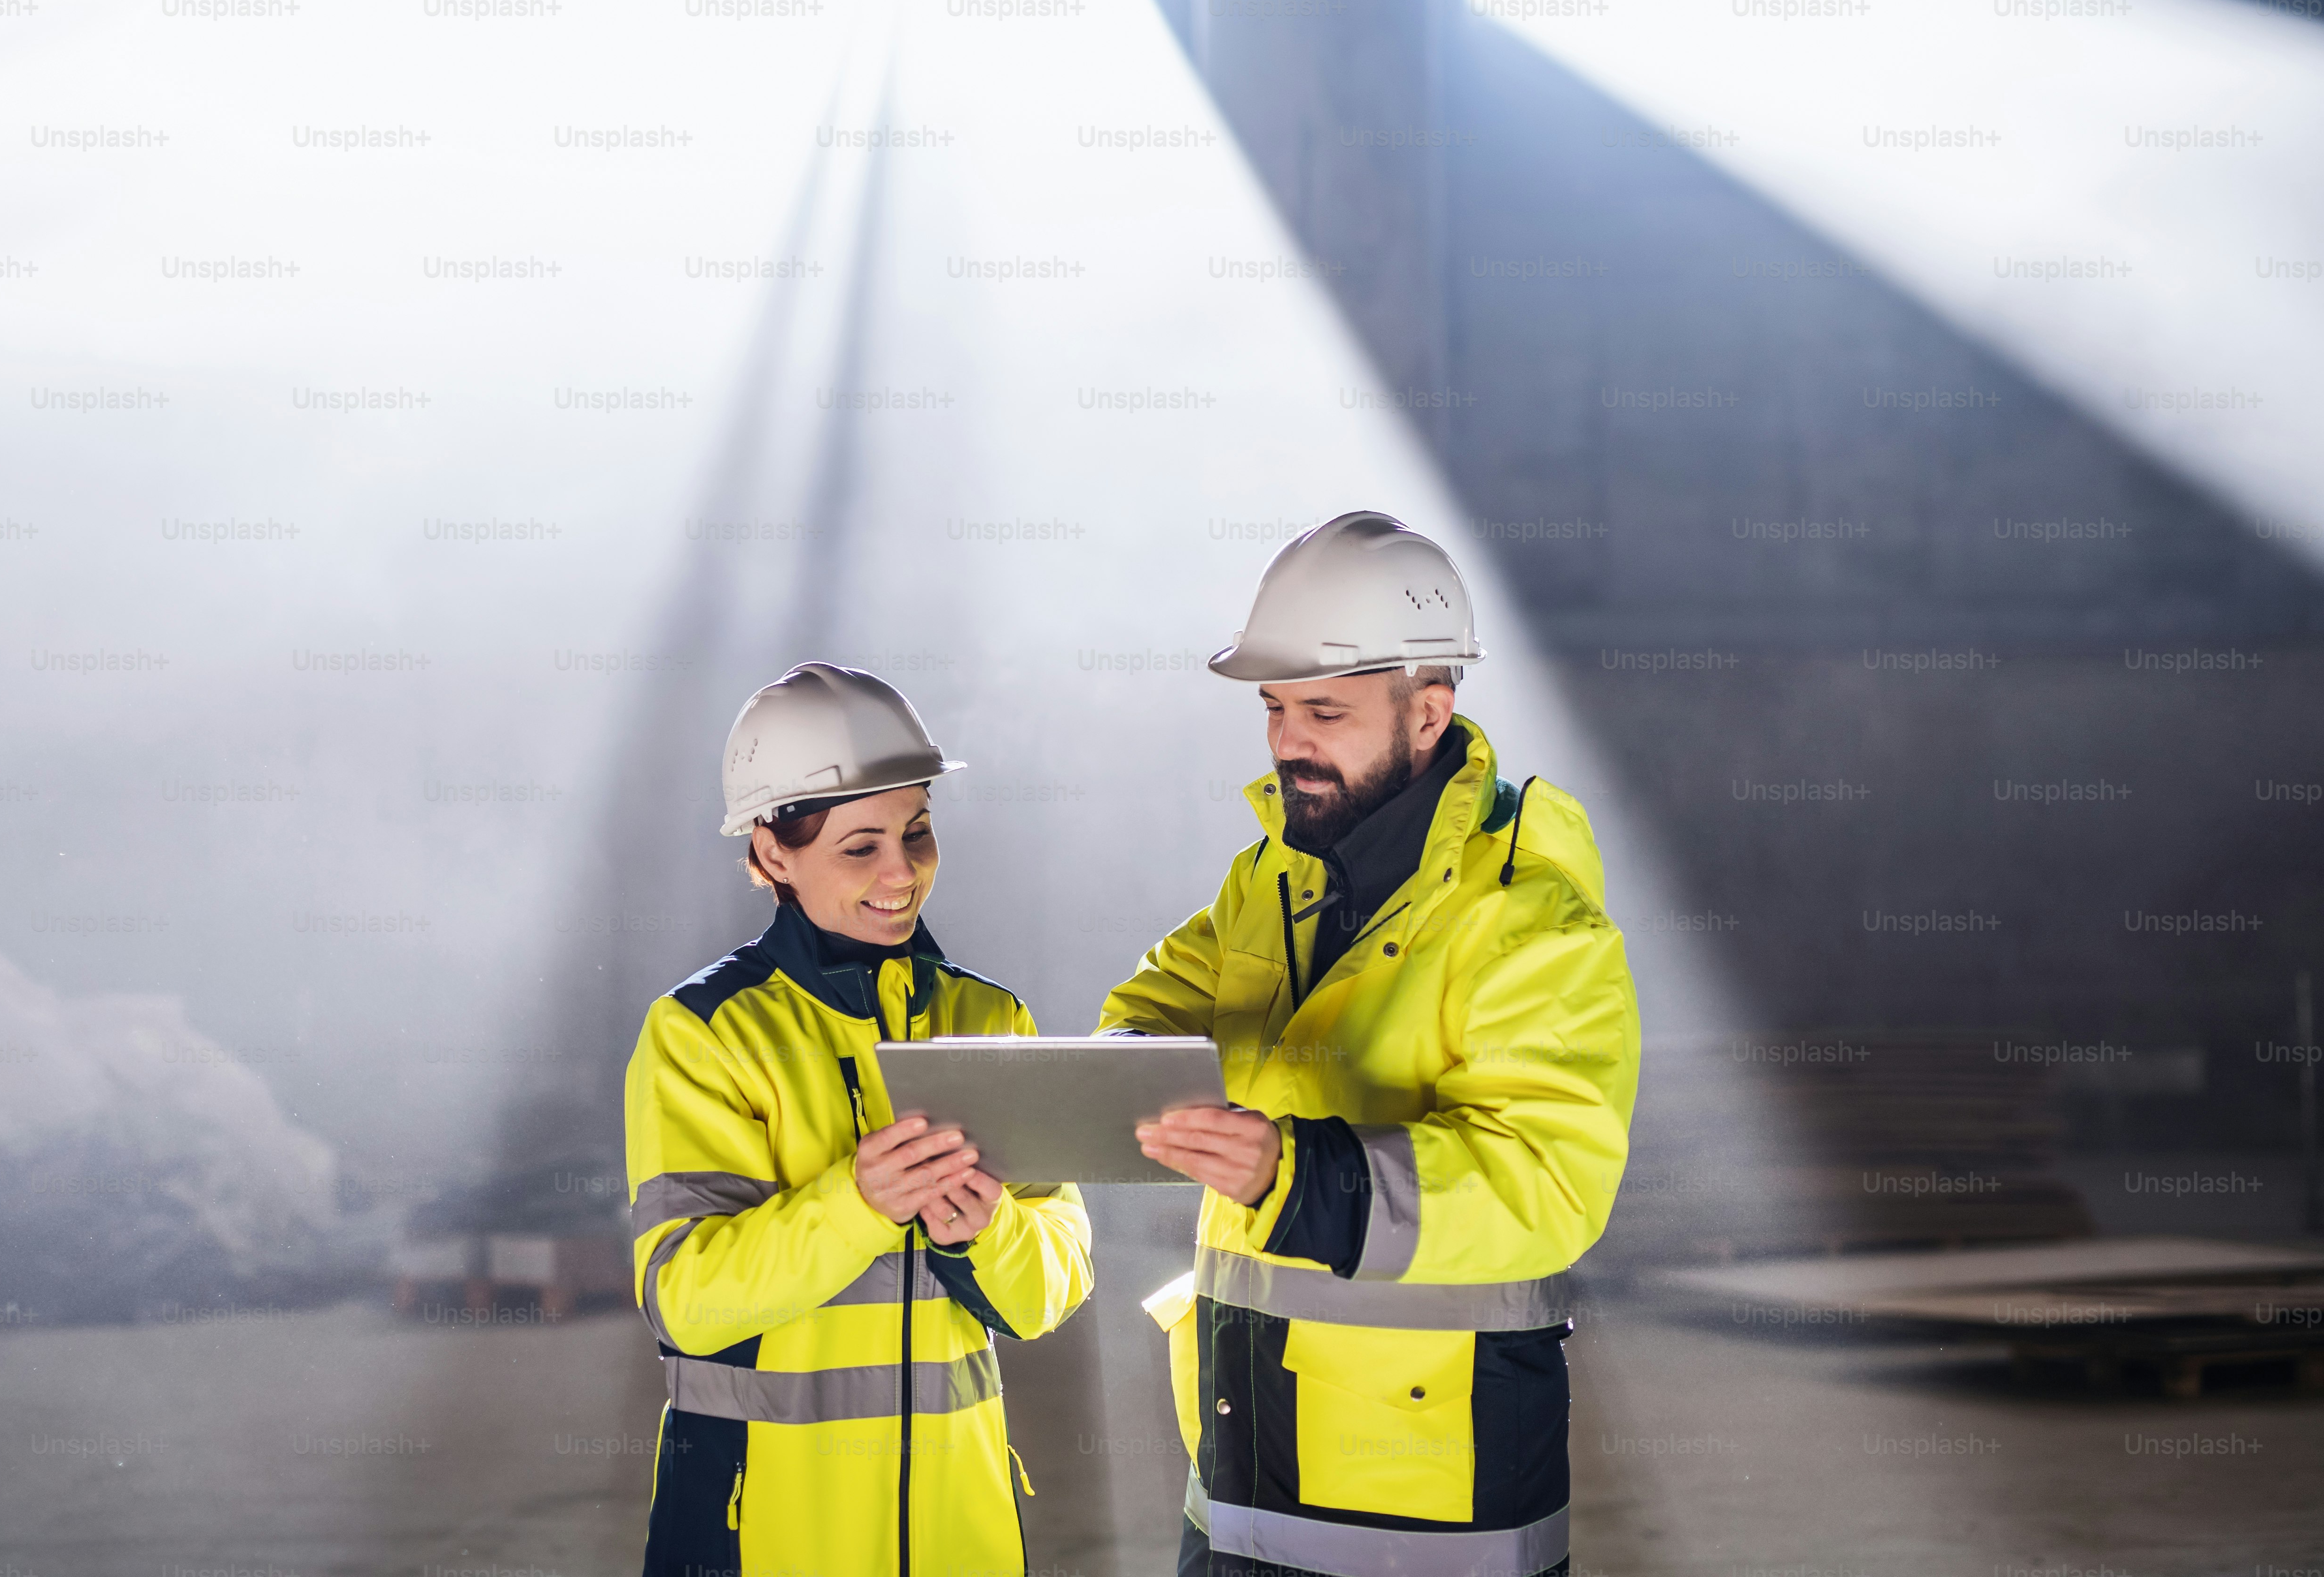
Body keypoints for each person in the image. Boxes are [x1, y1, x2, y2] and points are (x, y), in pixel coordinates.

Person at [1102, 511, 1639, 1577]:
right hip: (1241, 1477)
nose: (1287, 740)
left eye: (1324, 711)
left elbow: (1547, 1184)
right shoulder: (1274, 876)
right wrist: (1097, 1073)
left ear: (1429, 712)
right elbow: (1158, 1005)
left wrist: (1298, 1173)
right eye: (1273, 708)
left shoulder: (1530, 918)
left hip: (1427, 1507)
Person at [624, 661, 1093, 1577]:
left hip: (964, 1529)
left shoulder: (989, 1022)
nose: (901, 872)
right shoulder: (706, 1032)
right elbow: (687, 1298)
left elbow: (1051, 1289)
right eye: (860, 845)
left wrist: (988, 1231)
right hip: (758, 1530)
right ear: (771, 854)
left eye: (918, 832)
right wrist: (859, 1203)